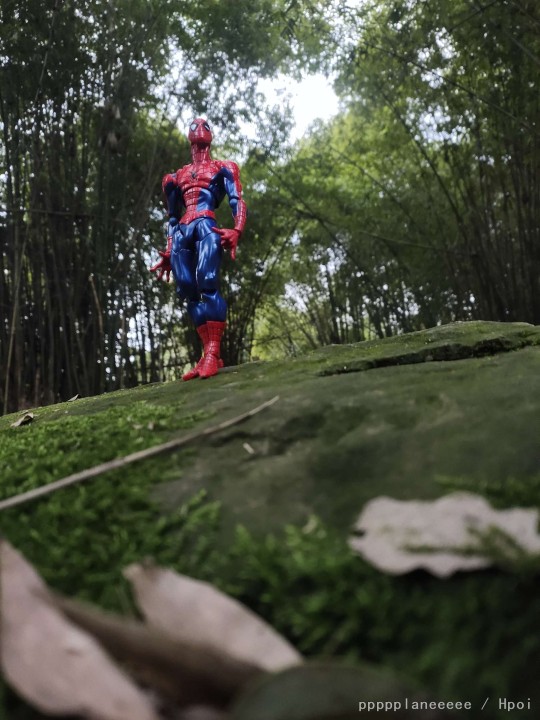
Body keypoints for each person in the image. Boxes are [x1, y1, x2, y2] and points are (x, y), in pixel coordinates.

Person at [151, 118, 247, 380]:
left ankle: (213, 352)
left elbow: (237, 200)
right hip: (183, 231)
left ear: (211, 136)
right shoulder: (175, 178)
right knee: (186, 288)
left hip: (206, 224)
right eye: (193, 126)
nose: (199, 128)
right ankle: (207, 352)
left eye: (205, 126)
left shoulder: (223, 168)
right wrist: (169, 249)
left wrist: (237, 229)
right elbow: (172, 217)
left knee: (207, 280)